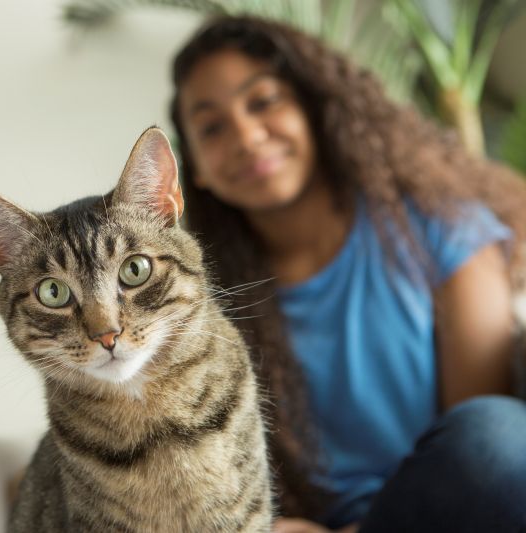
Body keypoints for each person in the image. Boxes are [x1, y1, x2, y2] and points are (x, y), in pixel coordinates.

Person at [169, 15, 526, 533]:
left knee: (492, 436)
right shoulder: (203, 304)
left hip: (459, 496)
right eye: (212, 127)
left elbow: (485, 449)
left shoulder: (440, 225)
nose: (247, 136)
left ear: (313, 110)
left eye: (263, 101)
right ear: (195, 168)